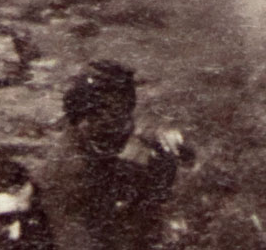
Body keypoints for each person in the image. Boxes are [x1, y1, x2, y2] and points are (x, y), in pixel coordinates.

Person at [31, 60, 191, 250]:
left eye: (125, 113)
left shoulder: (98, 132)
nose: (124, 127)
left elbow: (136, 126)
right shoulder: (68, 174)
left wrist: (158, 134)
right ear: (85, 121)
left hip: (103, 187)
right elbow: (77, 241)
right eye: (113, 122)